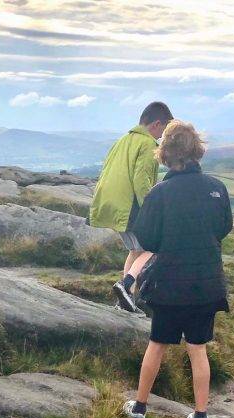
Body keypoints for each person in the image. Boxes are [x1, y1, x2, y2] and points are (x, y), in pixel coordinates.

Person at [120, 120, 232, 418]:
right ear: (196, 150)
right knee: (198, 349)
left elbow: (147, 239)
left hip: (168, 284)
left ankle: (139, 408)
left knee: (157, 344)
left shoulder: (161, 192)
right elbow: (224, 228)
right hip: (206, 282)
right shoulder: (217, 188)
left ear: (166, 153)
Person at [88, 101, 173, 313]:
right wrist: (152, 211)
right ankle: (125, 286)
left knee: (136, 249)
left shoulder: (123, 140)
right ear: (156, 124)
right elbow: (142, 182)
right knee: (153, 247)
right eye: (163, 130)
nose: (161, 136)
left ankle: (126, 299)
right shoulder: (148, 145)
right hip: (130, 205)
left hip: (112, 203)